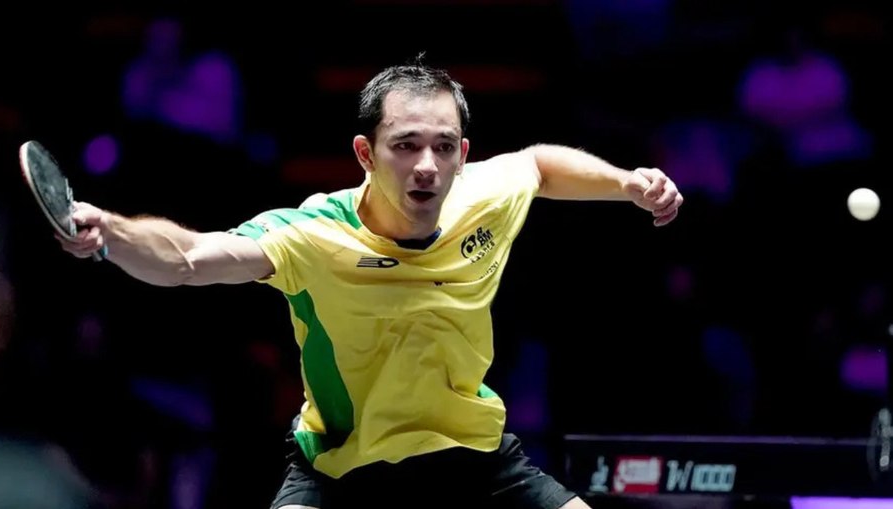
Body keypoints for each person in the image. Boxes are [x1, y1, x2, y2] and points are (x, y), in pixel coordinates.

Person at [57, 58, 683, 509]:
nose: (427, 166)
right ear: (365, 153)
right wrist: (112, 232)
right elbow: (190, 258)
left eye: (443, 147)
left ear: (463, 153)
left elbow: (538, 165)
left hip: (473, 457)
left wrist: (626, 183)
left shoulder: (483, 196)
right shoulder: (313, 234)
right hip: (340, 470)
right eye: (405, 146)